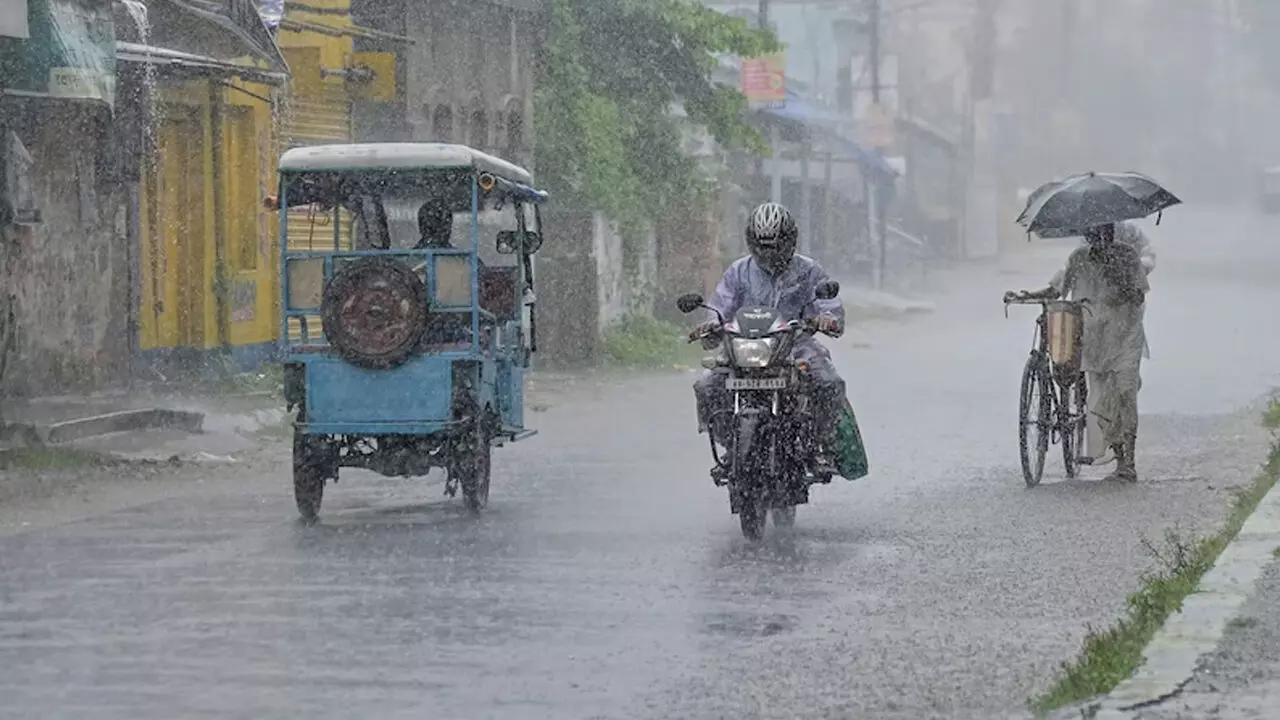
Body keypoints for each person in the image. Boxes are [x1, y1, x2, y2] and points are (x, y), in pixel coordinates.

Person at [691, 202, 845, 478]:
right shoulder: (738, 271)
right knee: (707, 386)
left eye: (775, 246)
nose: (768, 253)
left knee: (829, 384)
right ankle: (732, 444)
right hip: (745, 346)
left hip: (795, 344)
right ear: (751, 242)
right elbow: (720, 306)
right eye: (762, 246)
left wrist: (826, 319)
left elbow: (828, 305)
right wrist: (711, 325)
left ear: (790, 241)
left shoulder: (809, 271)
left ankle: (820, 443)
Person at [1006, 220, 1151, 482]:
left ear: (1111, 232)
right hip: (1094, 338)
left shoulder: (1127, 256)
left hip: (1126, 334)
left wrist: (1119, 281)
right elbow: (1057, 289)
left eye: (1104, 231)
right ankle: (1119, 453)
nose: (1099, 237)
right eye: (1094, 233)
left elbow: (1139, 294)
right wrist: (1026, 296)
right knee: (1101, 399)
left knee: (1125, 392)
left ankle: (1127, 461)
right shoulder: (1079, 258)